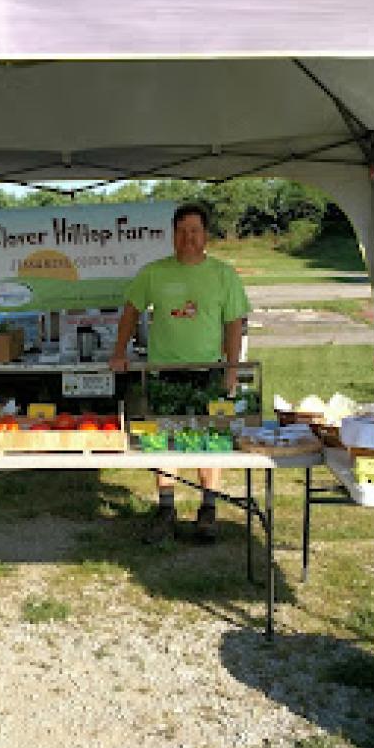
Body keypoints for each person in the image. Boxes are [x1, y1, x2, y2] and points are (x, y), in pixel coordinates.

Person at [109, 201, 251, 543]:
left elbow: (234, 325)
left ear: (205, 236)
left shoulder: (223, 275)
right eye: (182, 231)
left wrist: (231, 369)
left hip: (209, 372)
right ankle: (166, 508)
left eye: (195, 231)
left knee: (211, 442)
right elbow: (130, 312)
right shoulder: (154, 273)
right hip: (164, 372)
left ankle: (208, 509)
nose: (189, 237)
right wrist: (119, 352)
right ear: (173, 235)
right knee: (163, 442)